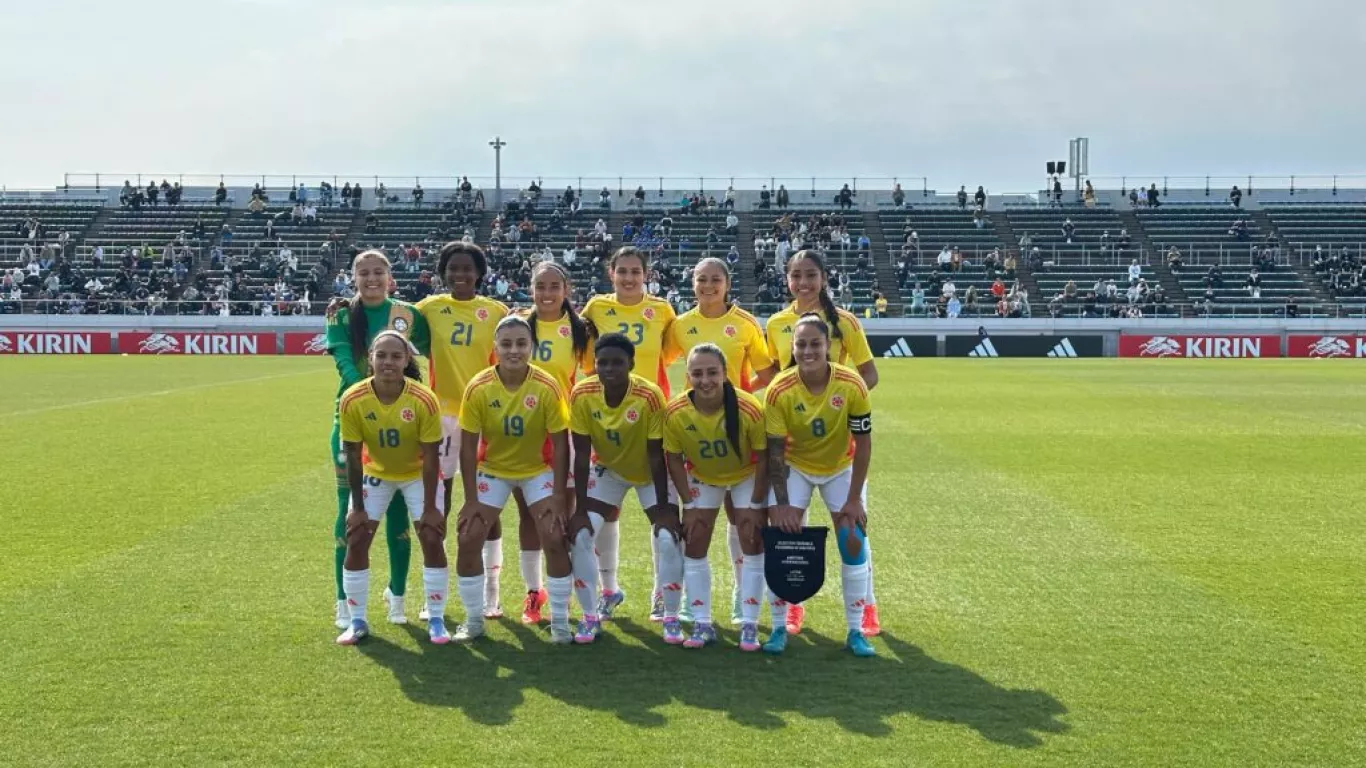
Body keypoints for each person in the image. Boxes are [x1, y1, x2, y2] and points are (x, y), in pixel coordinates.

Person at [762, 250, 881, 637]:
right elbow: (773, 378)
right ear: (787, 280)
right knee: (790, 530)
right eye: (795, 276)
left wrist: (834, 408)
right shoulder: (777, 323)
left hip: (836, 443)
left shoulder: (844, 322)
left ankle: (866, 609)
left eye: (810, 275)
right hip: (792, 447)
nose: (803, 283)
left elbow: (868, 375)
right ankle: (793, 604)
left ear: (824, 278)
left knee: (852, 529)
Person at [663, 258, 777, 623]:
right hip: (694, 428)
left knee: (741, 521)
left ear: (727, 284)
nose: (708, 286)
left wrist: (737, 393)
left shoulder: (744, 324)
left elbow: (767, 371)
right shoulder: (680, 325)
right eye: (701, 280)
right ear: (692, 283)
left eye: (715, 280)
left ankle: (741, 595)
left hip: (738, 428)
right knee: (694, 522)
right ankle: (687, 601)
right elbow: (658, 360)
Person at [326, 251, 431, 631]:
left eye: (378, 272)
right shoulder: (340, 315)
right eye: (363, 273)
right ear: (354, 278)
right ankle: (343, 600)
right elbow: (343, 359)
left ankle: (397, 594)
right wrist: (369, 394)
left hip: (403, 421)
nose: (371, 279)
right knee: (349, 510)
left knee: (401, 507)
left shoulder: (407, 313)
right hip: (353, 418)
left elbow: (436, 348)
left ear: (390, 277)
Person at [453, 317, 572, 642]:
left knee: (554, 534)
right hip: (492, 470)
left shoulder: (546, 386)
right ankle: (474, 620)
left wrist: (559, 495)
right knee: (468, 537)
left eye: (521, 343)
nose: (514, 350)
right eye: (506, 344)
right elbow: (466, 447)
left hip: (537, 470)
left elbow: (561, 444)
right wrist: (472, 499)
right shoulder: (479, 387)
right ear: (495, 348)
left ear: (531, 346)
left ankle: (560, 621)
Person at [581, 246, 679, 620]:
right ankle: (609, 589)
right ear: (611, 273)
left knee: (664, 512)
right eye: (622, 271)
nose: (628, 277)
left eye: (635, 271)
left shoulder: (663, 311)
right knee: (609, 510)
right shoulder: (596, 308)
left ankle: (661, 593)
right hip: (607, 417)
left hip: (653, 414)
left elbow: (666, 357)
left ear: (647, 274)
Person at [414, 243, 511, 618]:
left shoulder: (497, 312)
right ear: (442, 272)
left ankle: (491, 592)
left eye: (467, 269)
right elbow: (392, 315)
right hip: (440, 418)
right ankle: (433, 594)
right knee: (439, 501)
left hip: (485, 417)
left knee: (487, 504)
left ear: (479, 272)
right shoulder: (428, 308)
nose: (460, 275)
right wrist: (346, 304)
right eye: (453, 268)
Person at [335, 333, 448, 645]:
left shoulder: (423, 399)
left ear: (406, 360)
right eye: (381, 355)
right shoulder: (353, 399)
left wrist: (429, 507)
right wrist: (357, 507)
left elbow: (431, 457)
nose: (388, 362)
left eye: (396, 356)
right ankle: (357, 621)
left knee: (430, 534)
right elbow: (354, 456)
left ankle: (436, 618)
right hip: (376, 472)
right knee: (356, 537)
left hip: (416, 473)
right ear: (371, 357)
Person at [566, 333, 674, 643]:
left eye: (618, 363)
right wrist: (580, 509)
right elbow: (582, 453)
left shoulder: (650, 395)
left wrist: (665, 510)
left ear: (632, 364)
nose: (609, 369)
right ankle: (589, 617)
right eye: (603, 363)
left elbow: (657, 453)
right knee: (582, 535)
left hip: (650, 473)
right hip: (609, 471)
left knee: (667, 537)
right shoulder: (583, 393)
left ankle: (667, 608)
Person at [662, 344, 770, 650]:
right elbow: (672, 459)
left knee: (752, 540)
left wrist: (753, 504)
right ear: (688, 375)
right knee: (694, 543)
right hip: (703, 477)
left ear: (725, 374)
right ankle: (702, 622)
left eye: (712, 372)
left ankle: (749, 623)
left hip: (745, 475)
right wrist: (690, 504)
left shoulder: (749, 408)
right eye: (697, 373)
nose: (705, 380)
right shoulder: (676, 412)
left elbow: (763, 458)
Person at [506, 261, 591, 624]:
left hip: (565, 431)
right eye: (540, 286)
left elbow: (591, 377)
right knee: (527, 514)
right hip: (524, 432)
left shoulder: (580, 330)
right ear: (530, 288)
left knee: (562, 513)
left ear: (567, 289)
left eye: (554, 286)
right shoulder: (519, 326)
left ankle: (565, 590)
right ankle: (533, 591)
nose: (547, 293)